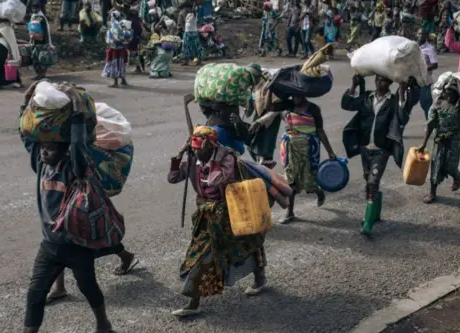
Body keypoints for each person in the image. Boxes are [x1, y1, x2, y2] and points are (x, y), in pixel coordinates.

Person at [16, 88, 116, 333]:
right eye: (42, 149)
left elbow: (80, 143)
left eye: (49, 149)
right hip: (49, 246)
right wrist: (26, 103)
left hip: (76, 246)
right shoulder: (41, 167)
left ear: (64, 150)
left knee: (88, 287)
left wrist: (76, 108)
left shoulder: (74, 167)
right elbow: (27, 136)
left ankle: (104, 325)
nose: (43, 153)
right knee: (34, 295)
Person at [167, 126, 267, 317]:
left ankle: (260, 277)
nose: (196, 152)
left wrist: (213, 159)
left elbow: (215, 181)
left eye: (199, 148)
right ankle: (193, 301)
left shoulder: (227, 158)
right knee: (202, 255)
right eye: (194, 148)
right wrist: (180, 156)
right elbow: (172, 178)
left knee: (248, 245)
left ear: (210, 145)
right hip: (206, 217)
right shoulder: (194, 159)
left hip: (229, 212)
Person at [341, 74, 418, 236]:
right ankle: (375, 213)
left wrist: (403, 92)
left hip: (382, 150)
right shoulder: (367, 97)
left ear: (390, 82)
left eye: (383, 80)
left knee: (373, 181)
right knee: (367, 179)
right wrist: (354, 86)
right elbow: (347, 104)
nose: (379, 83)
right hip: (365, 148)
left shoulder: (392, 101)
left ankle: (367, 222)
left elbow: (403, 117)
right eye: (377, 80)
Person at [271, 94, 336, 224]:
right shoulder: (287, 106)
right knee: (291, 180)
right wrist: (269, 90)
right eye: (293, 94)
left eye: (298, 94)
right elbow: (269, 107)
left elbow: (320, 131)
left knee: (309, 181)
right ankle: (290, 212)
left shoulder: (313, 109)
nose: (295, 98)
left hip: (308, 150)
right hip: (290, 149)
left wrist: (330, 152)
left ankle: (317, 191)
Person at [418, 84, 460, 204]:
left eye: (454, 92)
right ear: (444, 92)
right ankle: (432, 193)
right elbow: (430, 126)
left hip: (453, 141)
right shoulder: (437, 105)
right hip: (440, 141)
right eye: (449, 91)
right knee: (436, 166)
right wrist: (423, 144)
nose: (451, 94)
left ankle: (457, 176)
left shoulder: (459, 105)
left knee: (451, 166)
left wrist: (457, 83)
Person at [0, 17, 23, 89]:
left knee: (0, 65)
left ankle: (0, 83)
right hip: (0, 49)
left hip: (3, 50)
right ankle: (16, 81)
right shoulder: (0, 28)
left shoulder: (6, 28)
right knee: (7, 65)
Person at [29, 3, 55, 80]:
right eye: (33, 8)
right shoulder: (34, 16)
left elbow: (41, 30)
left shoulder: (40, 17)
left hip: (42, 42)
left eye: (35, 9)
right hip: (36, 41)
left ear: (39, 9)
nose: (34, 10)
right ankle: (39, 74)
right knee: (35, 59)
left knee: (42, 59)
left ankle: (42, 74)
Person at [102, 11, 128, 88]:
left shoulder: (114, 26)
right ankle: (123, 80)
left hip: (114, 49)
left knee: (114, 65)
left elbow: (111, 37)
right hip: (121, 48)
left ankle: (115, 82)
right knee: (121, 64)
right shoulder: (122, 24)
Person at [418, 28, 438, 118]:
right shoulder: (414, 47)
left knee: (426, 104)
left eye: (421, 34)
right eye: (418, 34)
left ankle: (431, 123)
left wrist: (423, 69)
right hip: (414, 80)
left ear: (426, 36)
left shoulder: (430, 49)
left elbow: (435, 65)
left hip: (425, 80)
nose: (419, 36)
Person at [127, 8, 145, 74]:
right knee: (137, 53)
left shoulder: (131, 22)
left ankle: (138, 68)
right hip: (137, 39)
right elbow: (140, 30)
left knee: (135, 54)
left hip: (132, 40)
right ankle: (138, 67)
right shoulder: (139, 21)